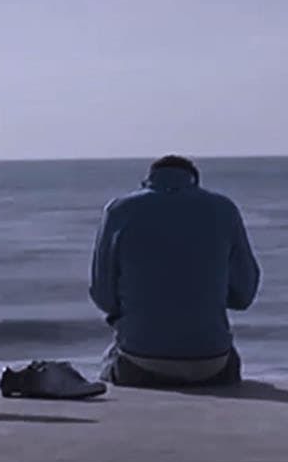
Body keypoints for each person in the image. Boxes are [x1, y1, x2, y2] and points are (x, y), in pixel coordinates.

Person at [89, 155, 260, 388]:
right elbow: (244, 295)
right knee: (225, 356)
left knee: (111, 359)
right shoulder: (224, 209)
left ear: (148, 180)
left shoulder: (119, 210)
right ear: (194, 181)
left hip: (141, 361)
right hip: (212, 362)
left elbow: (103, 294)